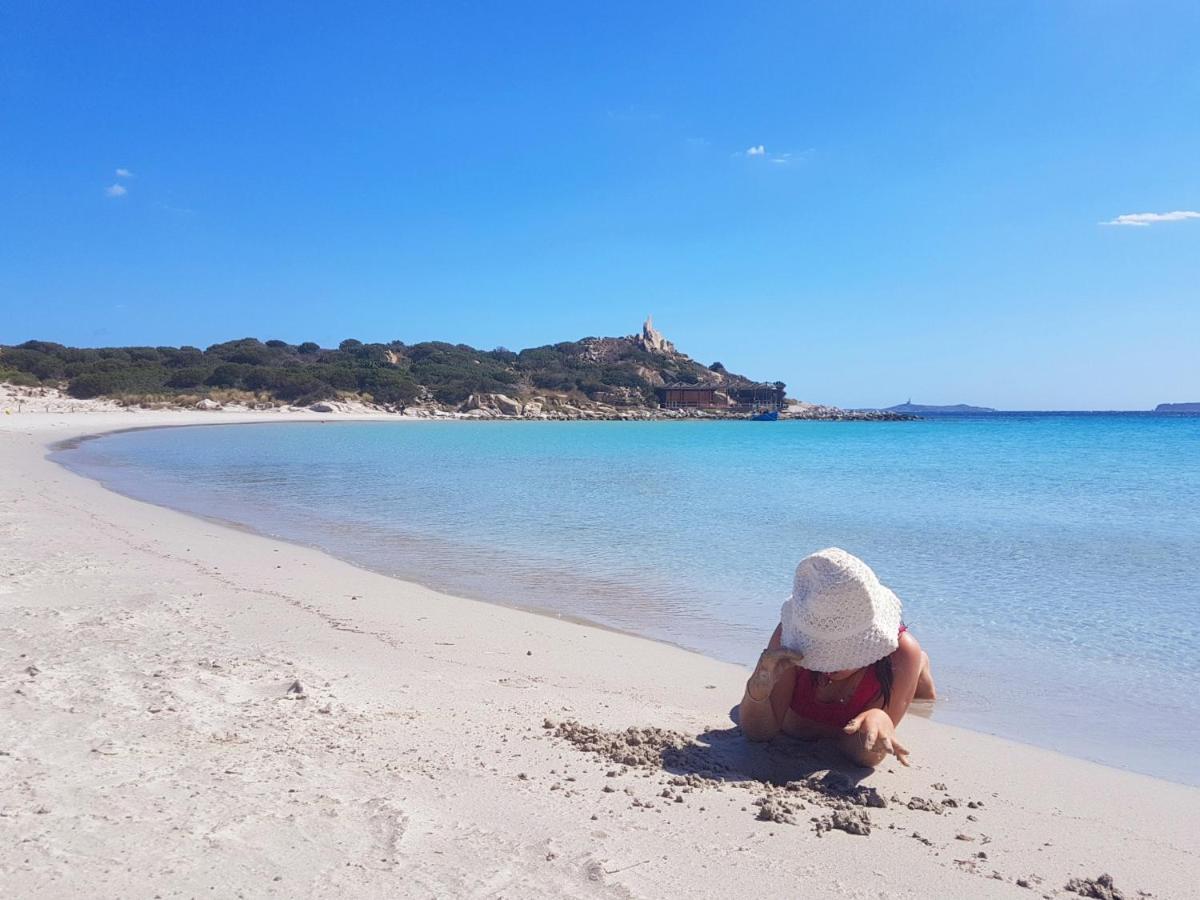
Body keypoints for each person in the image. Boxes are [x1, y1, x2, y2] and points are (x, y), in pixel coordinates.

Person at [738, 548, 935, 768]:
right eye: (822, 649)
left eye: (842, 651)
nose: (830, 665)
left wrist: (880, 717)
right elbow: (758, 734)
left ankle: (920, 666)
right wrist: (757, 692)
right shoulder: (790, 641)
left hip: (898, 664)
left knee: (923, 685)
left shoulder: (900, 654)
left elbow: (865, 758)